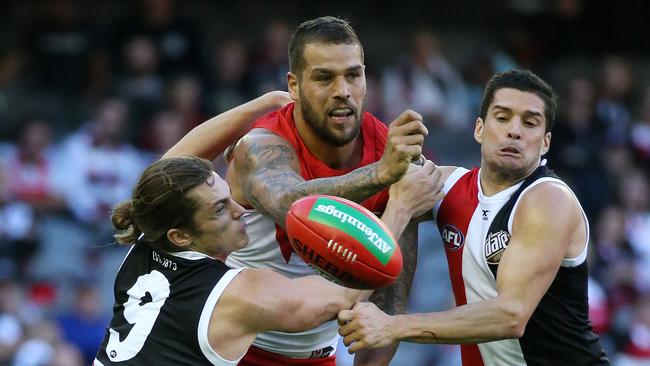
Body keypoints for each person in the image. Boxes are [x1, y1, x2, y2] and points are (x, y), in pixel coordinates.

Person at [93, 92, 442, 366]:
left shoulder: (146, 241)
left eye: (227, 194)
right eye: (220, 208)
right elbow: (343, 295)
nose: (239, 210)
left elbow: (166, 171)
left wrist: (263, 106)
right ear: (181, 236)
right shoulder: (237, 293)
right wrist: (400, 207)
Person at [165, 16, 436, 365]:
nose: (343, 91)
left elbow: (388, 303)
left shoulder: (390, 155)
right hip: (227, 352)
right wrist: (384, 177)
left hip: (317, 358)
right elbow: (292, 204)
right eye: (324, 77)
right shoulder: (261, 146)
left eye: (353, 75)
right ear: (294, 86)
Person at [338, 69, 611, 365]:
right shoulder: (448, 186)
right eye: (503, 117)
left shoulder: (548, 199)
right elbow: (371, 190)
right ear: (479, 128)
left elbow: (510, 315)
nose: (514, 131)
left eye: (529, 122)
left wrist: (394, 326)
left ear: (545, 142)